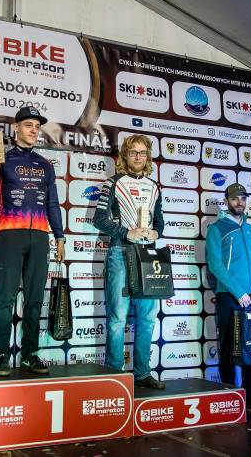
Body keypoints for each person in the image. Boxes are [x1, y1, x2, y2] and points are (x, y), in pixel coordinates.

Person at [0, 106, 65, 377]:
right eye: (28, 125)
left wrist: (59, 236)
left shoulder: (45, 165)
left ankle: (29, 353)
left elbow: (52, 204)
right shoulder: (2, 159)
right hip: (10, 235)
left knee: (35, 299)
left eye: (37, 126)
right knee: (5, 298)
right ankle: (0, 354)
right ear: (16, 128)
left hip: (39, 237)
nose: (34, 130)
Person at [92, 134, 165, 389]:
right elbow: (99, 220)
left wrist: (156, 233)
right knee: (117, 318)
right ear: (125, 155)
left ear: (148, 156)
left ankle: (143, 373)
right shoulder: (113, 183)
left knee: (147, 318)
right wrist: (126, 233)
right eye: (133, 152)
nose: (138, 157)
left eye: (142, 152)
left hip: (147, 256)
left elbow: (160, 222)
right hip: (120, 252)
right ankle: (114, 374)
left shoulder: (154, 186)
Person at [206, 183, 251, 412]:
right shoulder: (216, 229)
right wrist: (239, 293)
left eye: (243, 198)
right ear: (226, 201)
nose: (239, 202)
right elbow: (215, 265)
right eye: (235, 198)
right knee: (228, 346)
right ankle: (228, 395)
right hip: (230, 296)